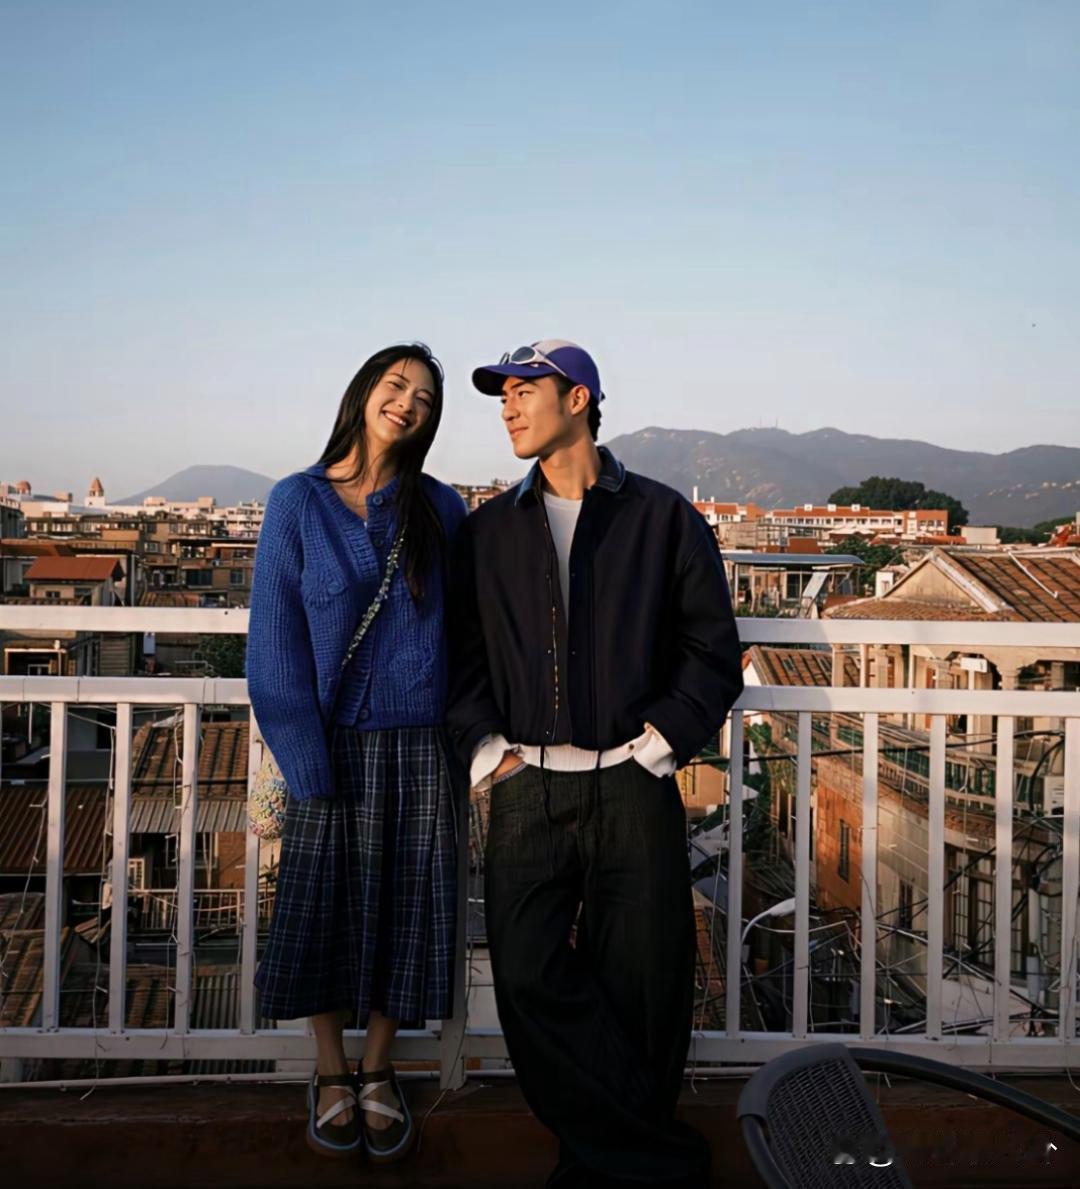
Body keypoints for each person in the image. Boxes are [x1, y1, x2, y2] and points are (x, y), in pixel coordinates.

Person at [447, 340, 744, 1188]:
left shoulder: (663, 518)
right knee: (527, 978)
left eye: (524, 389)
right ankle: (662, 1163)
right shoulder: (488, 531)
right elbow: (459, 659)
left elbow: (712, 650)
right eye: (501, 395)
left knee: (645, 990)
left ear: (578, 398)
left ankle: (598, 1171)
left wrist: (658, 744)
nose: (508, 406)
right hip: (526, 788)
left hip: (632, 783)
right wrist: (489, 754)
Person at [248, 343, 467, 1163]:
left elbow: (468, 628)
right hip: (328, 743)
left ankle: (377, 1064)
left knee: (408, 910)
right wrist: (304, 758)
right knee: (319, 906)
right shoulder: (296, 501)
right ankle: (329, 1066)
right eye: (396, 384)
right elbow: (275, 644)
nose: (407, 402)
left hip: (422, 745)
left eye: (424, 398)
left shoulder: (440, 509)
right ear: (363, 391)